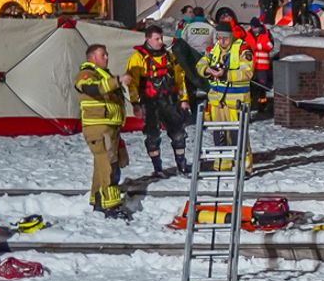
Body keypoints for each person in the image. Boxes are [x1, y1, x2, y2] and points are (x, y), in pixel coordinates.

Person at [125, 24, 191, 178]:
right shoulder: (137, 58)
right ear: (147, 39)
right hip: (149, 102)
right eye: (156, 39)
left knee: (178, 134)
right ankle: (158, 168)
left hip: (168, 101)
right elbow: (132, 83)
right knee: (152, 136)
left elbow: (180, 79)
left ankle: (181, 164)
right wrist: (135, 103)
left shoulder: (169, 57)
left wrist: (184, 99)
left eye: (161, 38)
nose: (160, 41)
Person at [74, 43, 132, 218]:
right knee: (109, 166)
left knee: (102, 166)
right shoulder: (86, 74)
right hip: (98, 129)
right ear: (92, 57)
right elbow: (92, 88)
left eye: (106, 54)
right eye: (102, 55)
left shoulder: (103, 75)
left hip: (109, 128)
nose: (107, 57)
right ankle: (111, 206)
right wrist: (118, 81)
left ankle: (98, 201)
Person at [197, 20, 254, 171]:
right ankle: (222, 163)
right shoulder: (213, 49)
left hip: (236, 101)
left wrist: (226, 74)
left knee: (238, 134)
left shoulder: (242, 49)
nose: (222, 41)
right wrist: (207, 70)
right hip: (217, 100)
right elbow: (200, 64)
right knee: (219, 134)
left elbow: (247, 72)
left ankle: (244, 166)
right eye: (219, 38)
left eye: (225, 38)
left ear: (231, 37)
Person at [246, 16, 275, 116]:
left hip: (262, 67)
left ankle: (262, 106)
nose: (255, 29)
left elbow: (270, 46)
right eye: (254, 27)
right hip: (251, 66)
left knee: (262, 87)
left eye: (257, 27)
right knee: (250, 86)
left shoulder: (266, 33)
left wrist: (259, 46)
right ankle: (250, 105)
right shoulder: (248, 34)